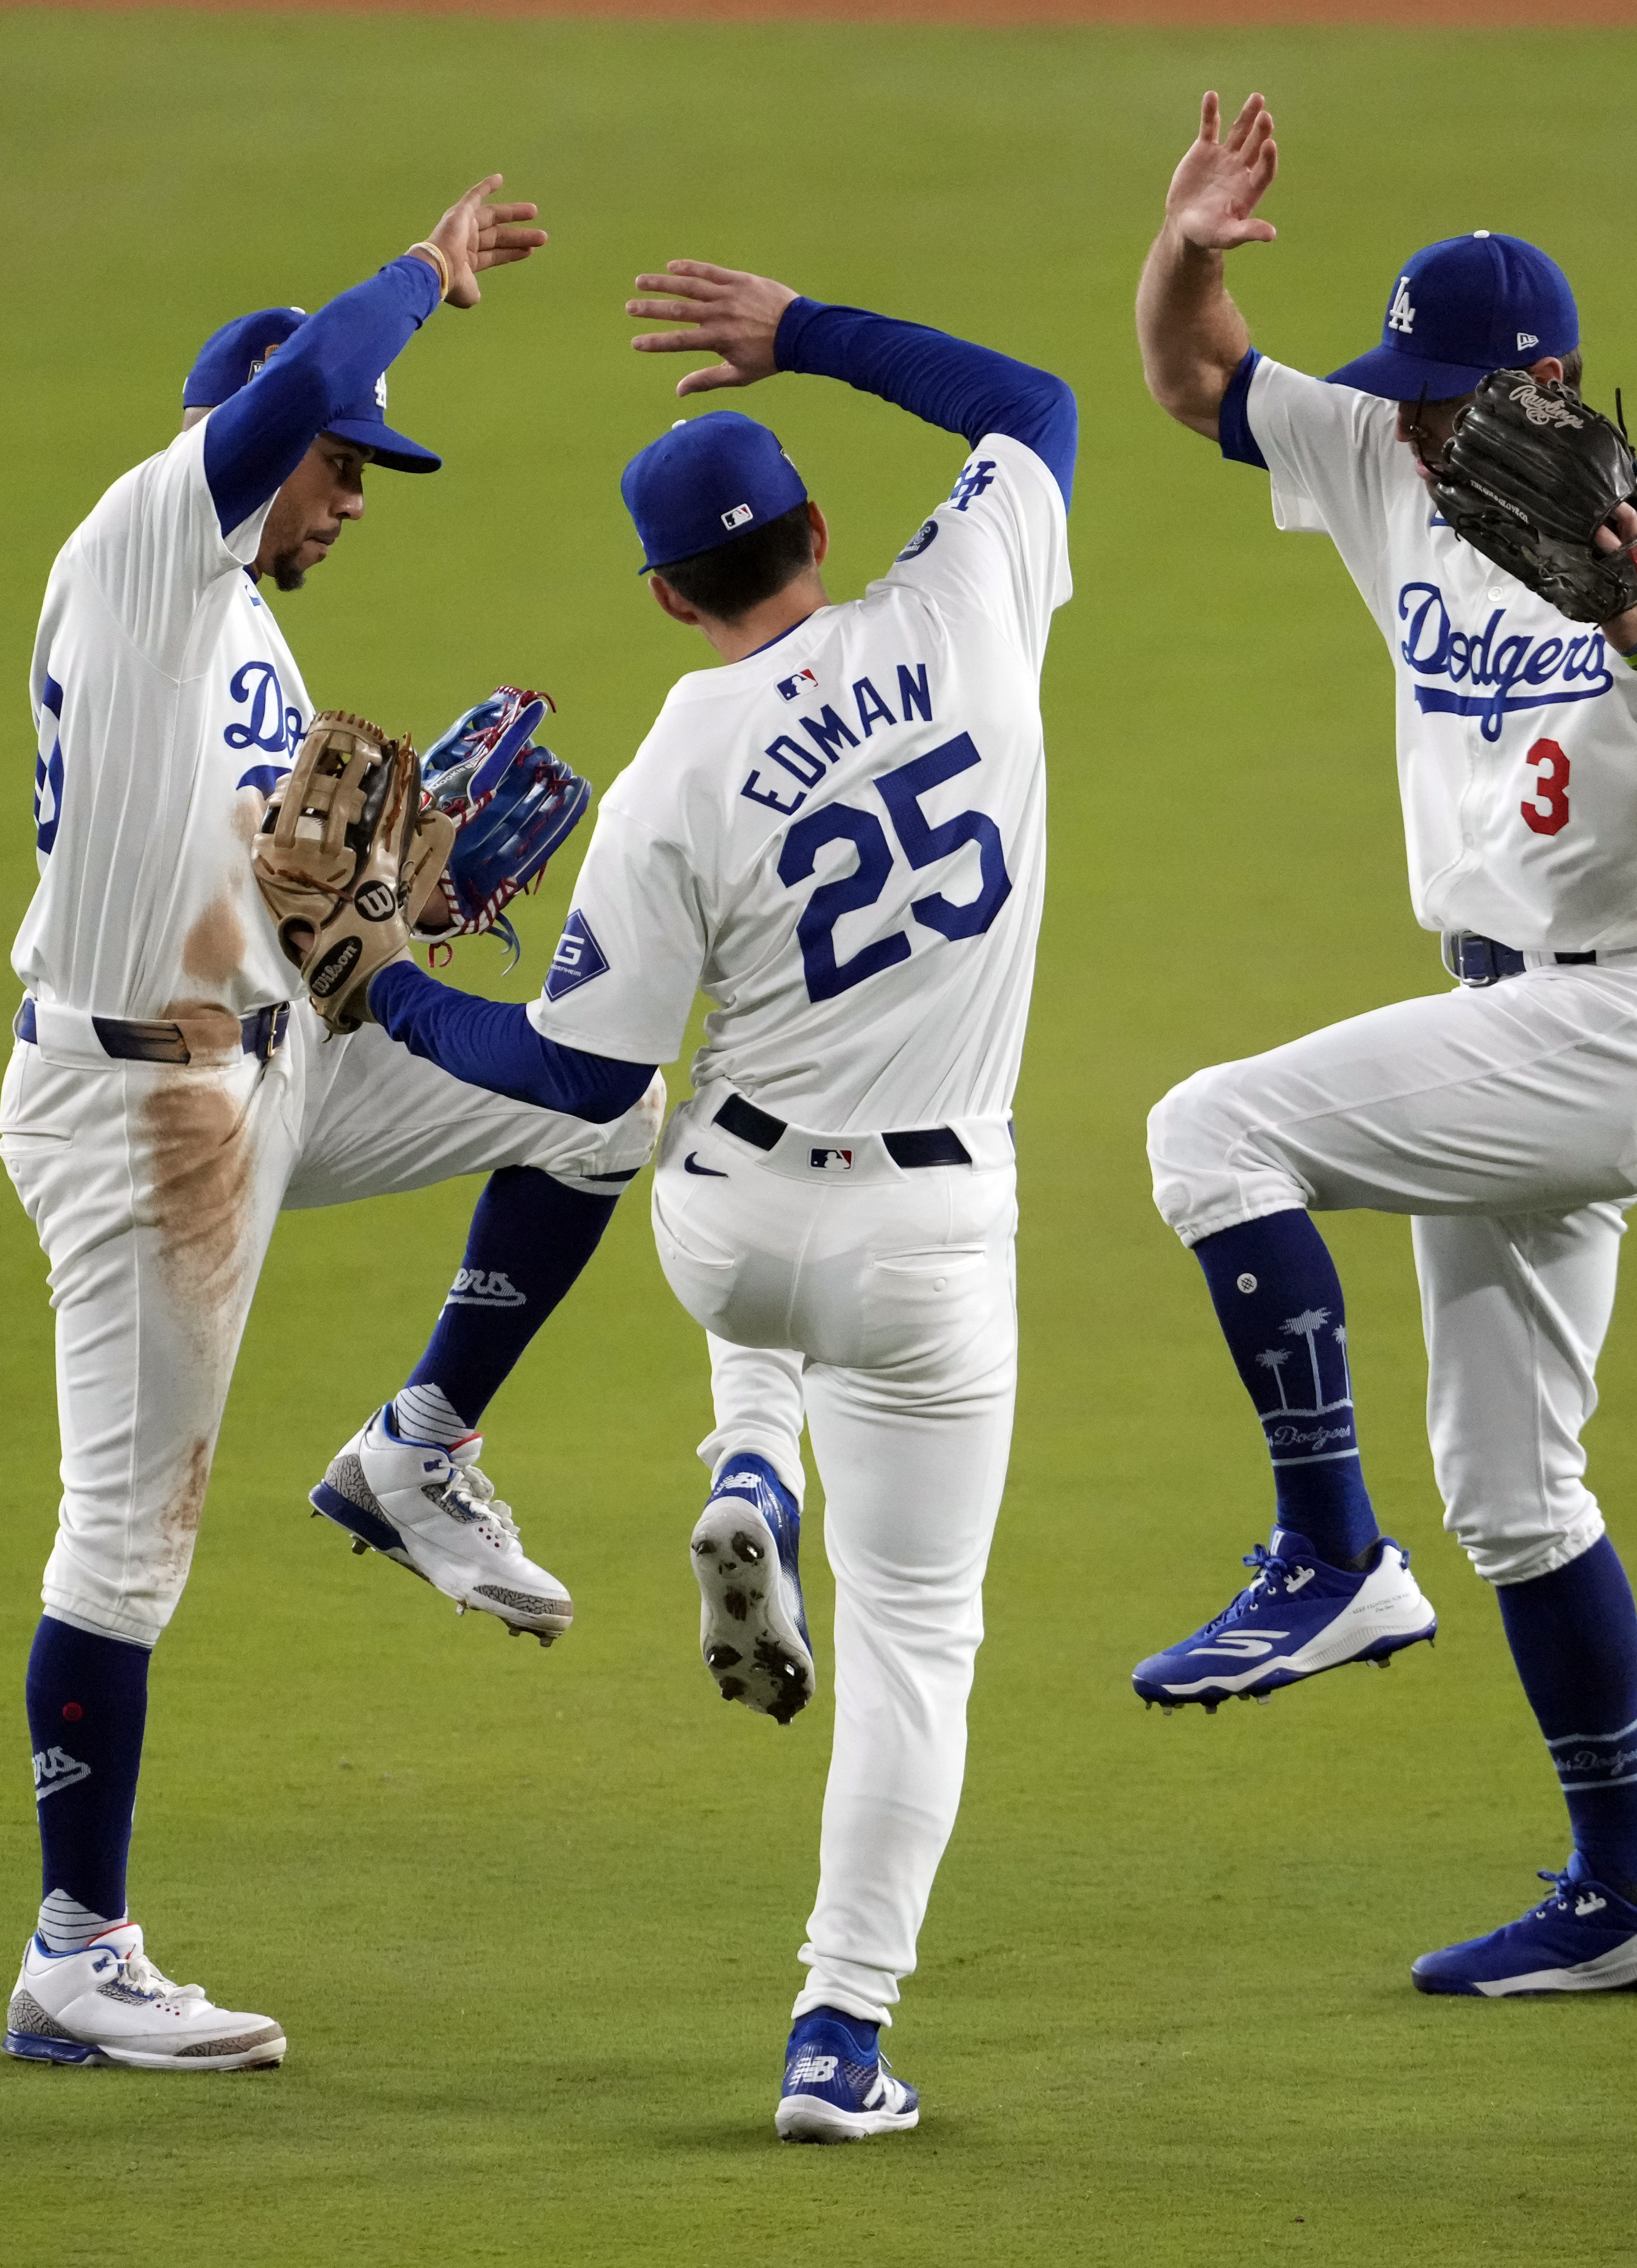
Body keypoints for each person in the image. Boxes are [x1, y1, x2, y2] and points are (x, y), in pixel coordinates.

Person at [355, 258, 1074, 2137]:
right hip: (936, 1254)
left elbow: (572, 1082)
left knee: (665, 1109)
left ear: (668, 598)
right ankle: (839, 2034)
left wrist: (384, 980)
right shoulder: (973, 603)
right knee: (918, 1643)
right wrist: (811, 330)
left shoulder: (677, 760)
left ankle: (749, 1458)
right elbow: (1037, 406)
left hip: (733, 1233)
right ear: (824, 531)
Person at [1127, 93, 1637, 1996]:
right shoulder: (1390, 463)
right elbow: (1203, 384)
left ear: (1557, 384)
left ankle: (1326, 1552)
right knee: (1522, 1496)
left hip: (1624, 1017)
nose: (1424, 425)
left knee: (1212, 1133)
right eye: (1410, 394)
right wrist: (1187, 244)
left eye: (1456, 397)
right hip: (1499, 1011)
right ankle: (1636, 1890)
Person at [0, 177, 666, 2072]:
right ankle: (76, 1948)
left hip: (270, 1056)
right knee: (124, 1547)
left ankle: (419, 1452)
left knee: (602, 1104)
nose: (354, 496)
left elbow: (286, 901)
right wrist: (428, 279)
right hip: (136, 1116)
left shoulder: (246, 636)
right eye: (339, 467)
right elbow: (318, 380)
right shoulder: (141, 547)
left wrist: (409, 905)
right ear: (256, 447)